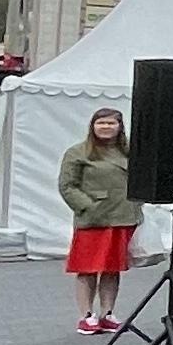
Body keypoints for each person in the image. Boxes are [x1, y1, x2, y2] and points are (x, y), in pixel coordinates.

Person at [58, 106, 137, 333]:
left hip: (122, 218)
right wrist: (87, 206)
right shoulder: (77, 152)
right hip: (93, 220)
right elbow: (67, 186)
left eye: (111, 123)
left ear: (120, 127)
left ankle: (107, 313)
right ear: (92, 126)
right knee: (87, 268)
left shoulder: (129, 152)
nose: (106, 127)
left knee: (112, 269)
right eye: (101, 123)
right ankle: (86, 315)